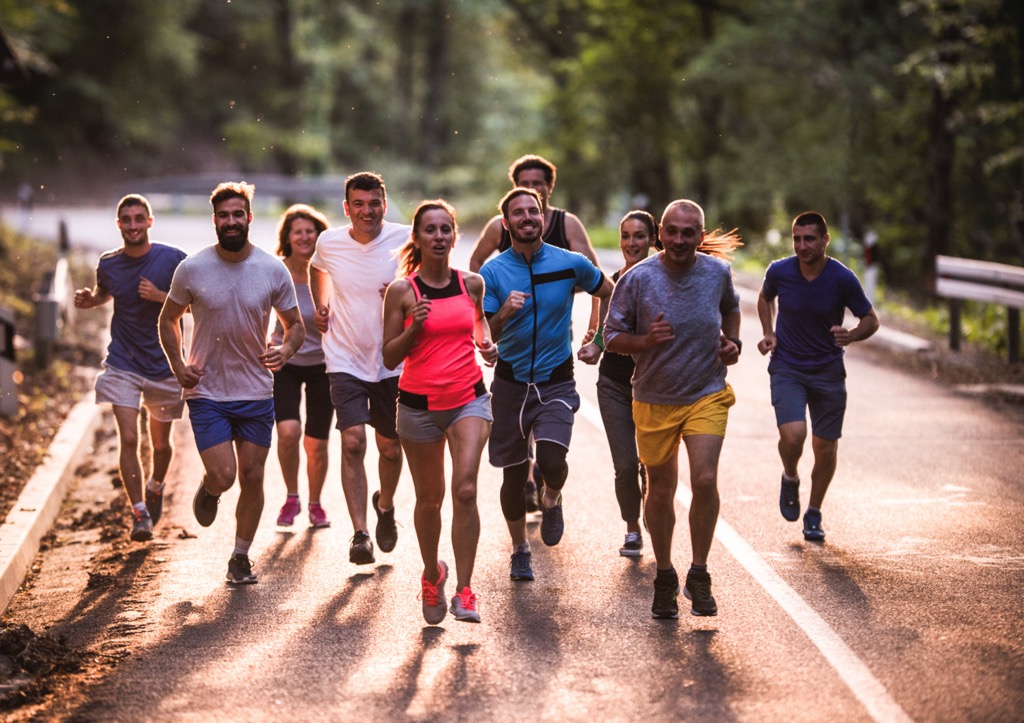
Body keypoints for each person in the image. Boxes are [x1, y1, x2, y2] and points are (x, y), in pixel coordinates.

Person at [158, 181, 304, 585]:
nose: (231, 221)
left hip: (256, 390)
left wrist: (286, 352)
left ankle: (240, 556)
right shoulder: (192, 268)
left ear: (249, 218)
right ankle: (210, 489)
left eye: (238, 214)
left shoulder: (272, 269)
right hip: (207, 391)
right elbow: (167, 319)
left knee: (253, 477)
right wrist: (177, 363)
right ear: (215, 221)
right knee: (224, 474)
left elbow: (295, 326)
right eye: (224, 215)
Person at [604, 199, 742, 619]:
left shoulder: (717, 273)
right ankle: (664, 574)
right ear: (660, 233)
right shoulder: (638, 278)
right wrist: (644, 342)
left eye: (689, 233)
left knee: (704, 478)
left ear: (701, 237)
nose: (680, 240)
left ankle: (699, 572)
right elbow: (610, 336)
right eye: (673, 232)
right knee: (660, 491)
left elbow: (731, 308)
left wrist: (731, 344)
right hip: (653, 398)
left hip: (706, 392)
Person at [480, 187, 612, 583]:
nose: (527, 217)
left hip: (556, 379)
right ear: (506, 224)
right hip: (510, 383)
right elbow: (485, 332)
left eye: (533, 211)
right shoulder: (493, 273)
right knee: (513, 475)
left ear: (543, 217)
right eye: (518, 213)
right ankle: (520, 549)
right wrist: (503, 312)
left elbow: (612, 292)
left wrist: (601, 339)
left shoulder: (570, 263)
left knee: (552, 462)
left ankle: (552, 497)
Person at [382, 200, 497, 624]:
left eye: (445, 229)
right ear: (417, 237)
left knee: (465, 489)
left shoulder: (472, 284)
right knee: (430, 500)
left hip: (468, 397)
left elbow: (478, 323)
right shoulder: (402, 292)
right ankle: (433, 574)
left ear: (454, 235)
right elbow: (390, 356)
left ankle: (466, 590)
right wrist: (413, 327)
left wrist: (487, 345)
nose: (438, 236)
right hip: (417, 406)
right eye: (429, 230)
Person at [468, 154, 602, 512]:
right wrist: (488, 307)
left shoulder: (566, 227)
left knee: (552, 452)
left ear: (548, 192)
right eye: (525, 184)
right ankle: (526, 484)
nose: (533, 194)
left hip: (555, 338)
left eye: (540, 185)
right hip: (511, 348)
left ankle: (547, 483)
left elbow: (600, 280)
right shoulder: (499, 233)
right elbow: (475, 268)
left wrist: (597, 333)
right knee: (513, 458)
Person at [756, 211, 879, 542]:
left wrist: (852, 335)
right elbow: (765, 296)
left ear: (825, 240)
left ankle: (814, 512)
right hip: (788, 367)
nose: (801, 245)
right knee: (793, 436)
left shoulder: (842, 278)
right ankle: (790, 476)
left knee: (826, 448)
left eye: (809, 239)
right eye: (796, 238)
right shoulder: (780, 271)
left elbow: (871, 318)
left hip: (828, 371)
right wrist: (769, 332)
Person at [309, 172, 411, 565]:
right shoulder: (329, 242)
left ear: (384, 203)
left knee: (391, 446)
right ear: (346, 207)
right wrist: (322, 306)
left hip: (391, 360)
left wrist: (407, 289)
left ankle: (384, 506)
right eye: (359, 204)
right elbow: (317, 269)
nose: (367, 211)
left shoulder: (406, 238)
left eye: (374, 203)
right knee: (353, 441)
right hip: (344, 356)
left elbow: (431, 280)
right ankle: (360, 534)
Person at [74, 194, 187, 542]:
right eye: (127, 219)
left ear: (150, 222)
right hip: (123, 361)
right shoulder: (108, 264)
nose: (134, 225)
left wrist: (160, 297)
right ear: (119, 224)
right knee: (128, 437)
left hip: (165, 363)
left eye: (140, 219)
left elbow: (200, 304)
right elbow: (105, 291)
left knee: (162, 446)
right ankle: (139, 512)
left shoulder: (173, 259)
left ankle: (155, 486)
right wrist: (91, 300)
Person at [576, 210, 660, 557]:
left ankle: (658, 521)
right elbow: (600, 332)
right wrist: (592, 347)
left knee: (653, 466)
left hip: (656, 386)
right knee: (626, 465)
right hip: (614, 384)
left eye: (639, 236)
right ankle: (632, 527)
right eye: (626, 236)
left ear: (653, 240)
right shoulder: (609, 282)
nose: (631, 243)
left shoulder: (663, 282)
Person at [270, 204, 334, 529]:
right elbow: (260, 312)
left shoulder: (330, 273)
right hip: (288, 361)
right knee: (288, 431)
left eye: (311, 231)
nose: (305, 236)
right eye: (299, 231)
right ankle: (291, 496)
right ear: (288, 237)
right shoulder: (276, 271)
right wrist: (269, 341)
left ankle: (315, 503)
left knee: (317, 443)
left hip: (325, 365)